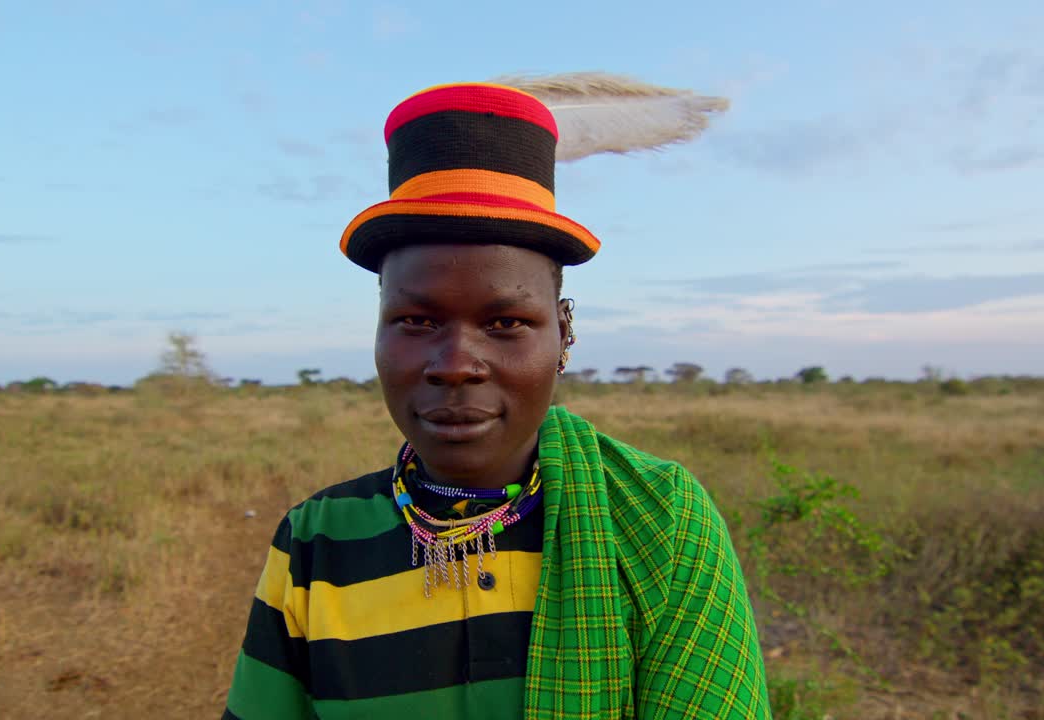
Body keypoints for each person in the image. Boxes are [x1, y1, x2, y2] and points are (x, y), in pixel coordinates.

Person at [221, 82, 770, 720]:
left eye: (506, 323)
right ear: (378, 328)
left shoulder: (658, 519)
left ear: (564, 334)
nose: (455, 365)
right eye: (416, 322)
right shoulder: (316, 540)